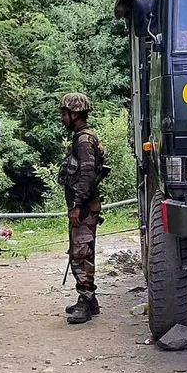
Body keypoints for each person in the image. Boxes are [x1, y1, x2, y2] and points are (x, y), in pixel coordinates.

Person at [57, 92, 106, 324]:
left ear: (75, 114)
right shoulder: (82, 137)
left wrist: (76, 205)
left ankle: (85, 302)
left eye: (64, 113)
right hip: (85, 205)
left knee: (80, 253)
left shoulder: (84, 140)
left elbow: (86, 175)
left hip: (84, 207)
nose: (62, 118)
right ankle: (90, 300)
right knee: (82, 251)